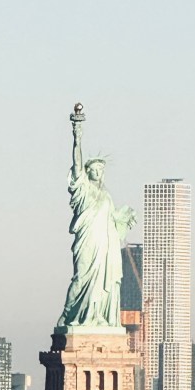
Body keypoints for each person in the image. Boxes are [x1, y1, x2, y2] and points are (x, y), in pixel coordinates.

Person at [58, 109, 136, 328]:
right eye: (94, 169)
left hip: (105, 246)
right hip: (88, 241)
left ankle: (98, 315)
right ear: (87, 171)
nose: (98, 172)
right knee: (81, 277)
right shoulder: (82, 189)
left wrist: (124, 218)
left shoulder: (107, 197)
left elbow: (114, 223)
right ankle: (68, 314)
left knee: (104, 281)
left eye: (101, 169)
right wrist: (77, 137)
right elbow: (76, 164)